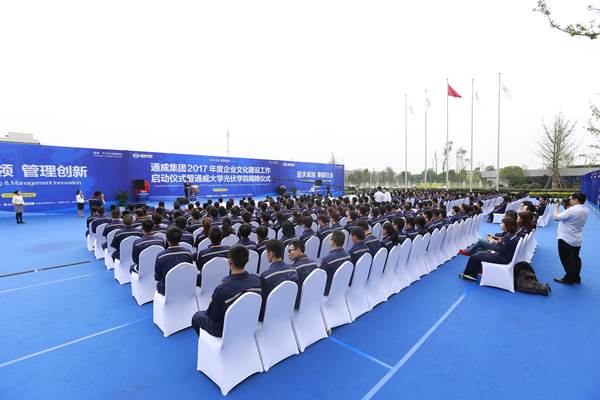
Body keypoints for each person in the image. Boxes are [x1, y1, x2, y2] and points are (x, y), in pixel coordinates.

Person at [191, 244, 262, 337]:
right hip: (249, 322)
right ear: (248, 260)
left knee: (196, 317)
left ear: (230, 261)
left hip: (224, 329)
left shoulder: (221, 290)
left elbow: (213, 317)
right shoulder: (258, 281)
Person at [553, 192, 589, 285]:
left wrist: (556, 207)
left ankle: (569, 278)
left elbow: (556, 217)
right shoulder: (585, 209)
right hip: (577, 238)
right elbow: (570, 216)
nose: (568, 200)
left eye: (570, 199)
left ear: (576, 200)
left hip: (566, 238)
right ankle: (576, 277)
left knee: (567, 260)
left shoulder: (572, 211)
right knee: (575, 258)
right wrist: (566, 207)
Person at [258, 239, 298, 321]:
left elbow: (263, 302)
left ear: (271, 254)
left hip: (270, 317)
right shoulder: (293, 271)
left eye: (266, 252)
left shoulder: (266, 276)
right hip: (288, 312)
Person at [154, 227, 194, 296]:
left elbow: (157, 277)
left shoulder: (161, 257)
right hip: (185, 287)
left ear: (167, 240)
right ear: (180, 238)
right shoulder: (188, 253)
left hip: (167, 289)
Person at [288, 240, 317, 308]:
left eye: (289, 251)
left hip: (298, 304)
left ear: (298, 251)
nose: (288, 254)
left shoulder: (294, 269)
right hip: (313, 300)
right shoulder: (314, 264)